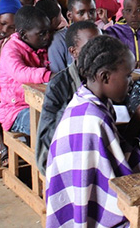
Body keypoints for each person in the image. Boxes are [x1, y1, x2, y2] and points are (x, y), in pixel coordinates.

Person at [45, 35, 140, 227]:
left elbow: (111, 152)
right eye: (128, 75)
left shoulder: (89, 98)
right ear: (104, 76)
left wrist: (137, 121)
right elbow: (121, 183)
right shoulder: (93, 119)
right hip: (88, 215)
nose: (131, 81)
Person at [35, 21, 101, 175]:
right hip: (73, 162)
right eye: (91, 47)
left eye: (102, 44)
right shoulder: (59, 85)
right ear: (74, 52)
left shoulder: (109, 77)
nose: (100, 52)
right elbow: (45, 150)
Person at [0, 6, 53, 136]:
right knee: (46, 127)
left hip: (38, 104)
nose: (47, 37)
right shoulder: (11, 49)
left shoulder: (40, 46)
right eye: (42, 33)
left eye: (48, 32)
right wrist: (47, 75)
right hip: (15, 111)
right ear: (23, 34)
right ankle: (45, 156)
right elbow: (20, 72)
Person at [48, 0, 97, 74]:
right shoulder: (58, 41)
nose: (88, 17)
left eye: (92, 12)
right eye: (81, 13)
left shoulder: (100, 34)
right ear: (70, 15)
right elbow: (59, 78)